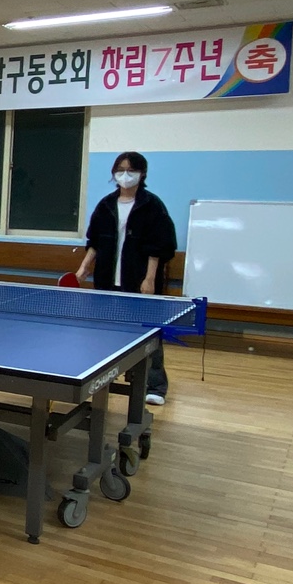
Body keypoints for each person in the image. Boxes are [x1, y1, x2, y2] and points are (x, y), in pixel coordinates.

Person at [74, 151, 178, 405]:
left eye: (131, 170)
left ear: (142, 174)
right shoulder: (106, 205)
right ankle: (104, 378)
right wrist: (84, 268)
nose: (125, 175)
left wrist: (149, 278)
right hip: (107, 280)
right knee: (105, 332)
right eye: (120, 170)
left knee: (147, 333)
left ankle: (155, 386)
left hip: (138, 279)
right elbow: (95, 241)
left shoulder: (152, 205)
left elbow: (159, 247)